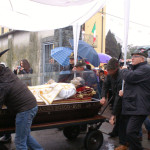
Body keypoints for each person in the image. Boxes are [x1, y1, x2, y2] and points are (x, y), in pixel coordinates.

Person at [0, 64, 43, 150]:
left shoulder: (3, 82)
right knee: (26, 137)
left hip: (25, 110)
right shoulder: (6, 72)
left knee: (19, 142)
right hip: (30, 105)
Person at [120, 48, 150, 150]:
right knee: (131, 133)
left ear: (142, 59)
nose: (132, 58)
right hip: (133, 105)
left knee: (131, 132)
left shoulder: (145, 69)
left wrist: (124, 70)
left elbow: (130, 77)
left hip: (139, 106)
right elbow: (133, 85)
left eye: (135, 57)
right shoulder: (136, 68)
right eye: (132, 56)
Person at [100, 58, 128, 150]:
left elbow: (118, 99)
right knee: (119, 118)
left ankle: (123, 143)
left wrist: (113, 115)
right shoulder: (109, 74)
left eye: (110, 70)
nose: (108, 71)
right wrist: (103, 96)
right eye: (107, 69)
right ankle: (115, 132)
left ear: (116, 69)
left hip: (124, 99)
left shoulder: (121, 77)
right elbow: (105, 86)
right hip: (116, 95)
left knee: (122, 120)